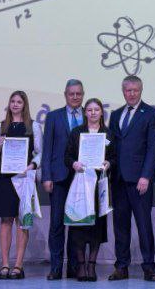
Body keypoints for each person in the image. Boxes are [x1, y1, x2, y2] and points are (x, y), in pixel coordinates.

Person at [107, 75, 155, 282]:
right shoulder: (115, 115)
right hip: (118, 179)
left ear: (141, 90)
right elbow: (111, 145)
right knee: (120, 226)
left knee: (144, 225)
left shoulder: (151, 113)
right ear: (123, 92)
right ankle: (121, 266)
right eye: (128, 90)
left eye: (135, 90)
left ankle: (149, 267)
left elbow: (153, 147)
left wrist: (146, 175)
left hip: (140, 180)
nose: (131, 94)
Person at [0, 90, 43, 279]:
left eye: (19, 102)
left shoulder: (33, 126)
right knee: (5, 220)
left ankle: (18, 265)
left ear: (24, 105)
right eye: (12, 101)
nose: (15, 104)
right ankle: (5, 264)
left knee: (22, 221)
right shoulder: (1, 126)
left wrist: (32, 166)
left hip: (24, 177)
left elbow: (40, 153)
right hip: (4, 178)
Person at [64, 97, 117, 282]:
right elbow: (67, 156)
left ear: (102, 112)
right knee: (79, 226)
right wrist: (74, 163)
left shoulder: (108, 134)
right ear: (85, 113)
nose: (93, 113)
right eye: (89, 110)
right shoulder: (77, 132)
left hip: (99, 186)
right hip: (80, 184)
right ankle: (81, 265)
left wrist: (109, 163)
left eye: (96, 109)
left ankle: (91, 265)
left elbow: (114, 157)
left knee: (97, 226)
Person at [41, 79, 85, 280]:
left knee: (77, 224)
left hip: (82, 178)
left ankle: (75, 267)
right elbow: (47, 148)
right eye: (71, 93)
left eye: (78, 93)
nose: (75, 97)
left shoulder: (90, 115)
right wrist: (46, 176)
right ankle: (56, 267)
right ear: (65, 94)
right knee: (57, 224)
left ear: (82, 94)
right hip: (58, 177)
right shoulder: (53, 116)